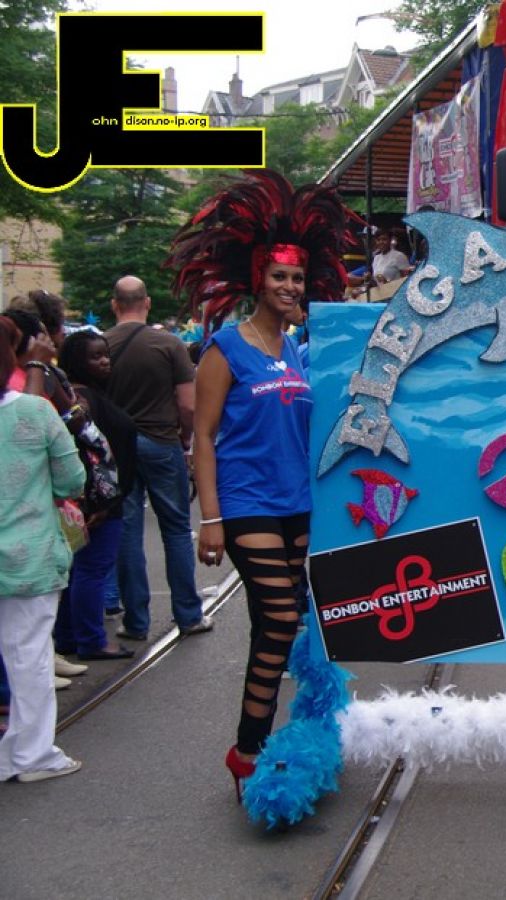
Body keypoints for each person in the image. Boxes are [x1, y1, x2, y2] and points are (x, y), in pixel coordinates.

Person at [166, 168, 356, 801]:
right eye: (279, 276)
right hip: (246, 506)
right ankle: (248, 750)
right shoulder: (225, 349)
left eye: (297, 278)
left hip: (298, 506)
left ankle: (260, 743)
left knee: (280, 622)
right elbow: (203, 436)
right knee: (278, 617)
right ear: (257, 279)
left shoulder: (297, 353)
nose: (289, 286)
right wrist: (210, 518)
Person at [0, 316, 87, 783]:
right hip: (26, 554)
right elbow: (73, 479)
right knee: (30, 656)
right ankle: (33, 754)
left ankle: (12, 750)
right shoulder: (35, 413)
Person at [104, 277, 210, 642]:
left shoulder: (101, 345)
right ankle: (189, 615)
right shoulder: (169, 344)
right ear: (147, 303)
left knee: (127, 531)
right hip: (162, 441)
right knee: (176, 529)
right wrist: (185, 441)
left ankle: (136, 620)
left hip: (118, 448)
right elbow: (188, 405)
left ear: (114, 304)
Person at [53, 331, 137, 661]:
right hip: (100, 502)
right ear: (77, 361)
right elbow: (86, 451)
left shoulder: (83, 396)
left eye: (106, 355)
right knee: (92, 569)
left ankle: (69, 635)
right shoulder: (82, 402)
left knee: (78, 570)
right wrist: (95, 502)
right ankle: (91, 639)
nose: (104, 362)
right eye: (95, 356)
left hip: (100, 498)